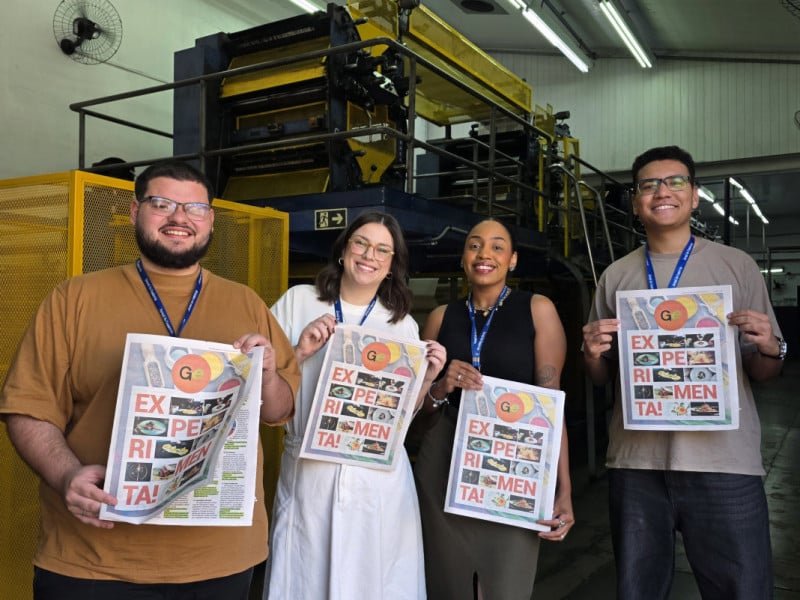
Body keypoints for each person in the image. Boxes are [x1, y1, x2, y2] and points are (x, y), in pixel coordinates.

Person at [0, 160, 300, 600]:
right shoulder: (74, 298)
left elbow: (278, 411)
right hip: (93, 560)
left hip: (218, 560)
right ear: (133, 211)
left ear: (210, 220)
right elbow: (27, 407)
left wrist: (268, 375)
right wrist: (66, 476)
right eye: (162, 204)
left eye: (194, 208)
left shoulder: (247, 303)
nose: (179, 218)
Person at [582, 145, 785, 599]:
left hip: (724, 464)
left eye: (675, 182)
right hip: (637, 465)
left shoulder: (737, 267)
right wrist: (592, 353)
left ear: (694, 196)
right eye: (649, 185)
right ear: (636, 203)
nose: (662, 192)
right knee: (638, 590)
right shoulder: (615, 277)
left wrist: (772, 347)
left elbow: (764, 372)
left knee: (743, 589)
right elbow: (602, 379)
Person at [263, 211, 447, 600]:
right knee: (304, 579)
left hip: (376, 480)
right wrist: (299, 351)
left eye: (383, 250)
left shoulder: (402, 327)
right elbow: (263, 386)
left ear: (392, 266)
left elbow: (402, 419)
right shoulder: (299, 302)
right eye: (361, 243)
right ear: (344, 249)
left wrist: (428, 377)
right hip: (311, 476)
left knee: (373, 582)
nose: (370, 255)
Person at [412, 218, 575, 600]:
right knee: (446, 581)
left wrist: (563, 490)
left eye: (498, 246)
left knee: (505, 581)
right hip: (443, 462)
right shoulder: (439, 317)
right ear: (464, 258)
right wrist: (441, 385)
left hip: (514, 459)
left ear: (513, 260)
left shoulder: (538, 309)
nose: (485, 254)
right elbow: (416, 415)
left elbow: (552, 407)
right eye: (474, 245)